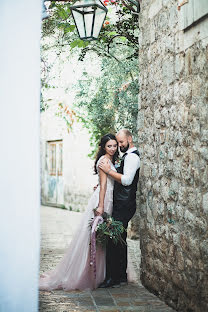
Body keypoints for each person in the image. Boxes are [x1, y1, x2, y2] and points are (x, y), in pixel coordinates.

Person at [39, 133, 118, 291]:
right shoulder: (104, 161)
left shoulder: (109, 160)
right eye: (109, 146)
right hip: (104, 199)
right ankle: (90, 274)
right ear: (103, 147)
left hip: (108, 196)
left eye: (115, 145)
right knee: (97, 235)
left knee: (103, 236)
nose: (113, 148)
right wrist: (101, 206)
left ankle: (103, 272)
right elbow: (103, 186)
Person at [98, 129, 140, 288]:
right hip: (124, 203)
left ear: (130, 138)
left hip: (124, 205)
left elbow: (127, 181)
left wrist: (108, 171)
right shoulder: (127, 156)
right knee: (120, 239)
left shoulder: (132, 157)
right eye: (117, 142)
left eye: (121, 142)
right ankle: (121, 275)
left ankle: (111, 278)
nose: (119, 145)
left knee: (112, 239)